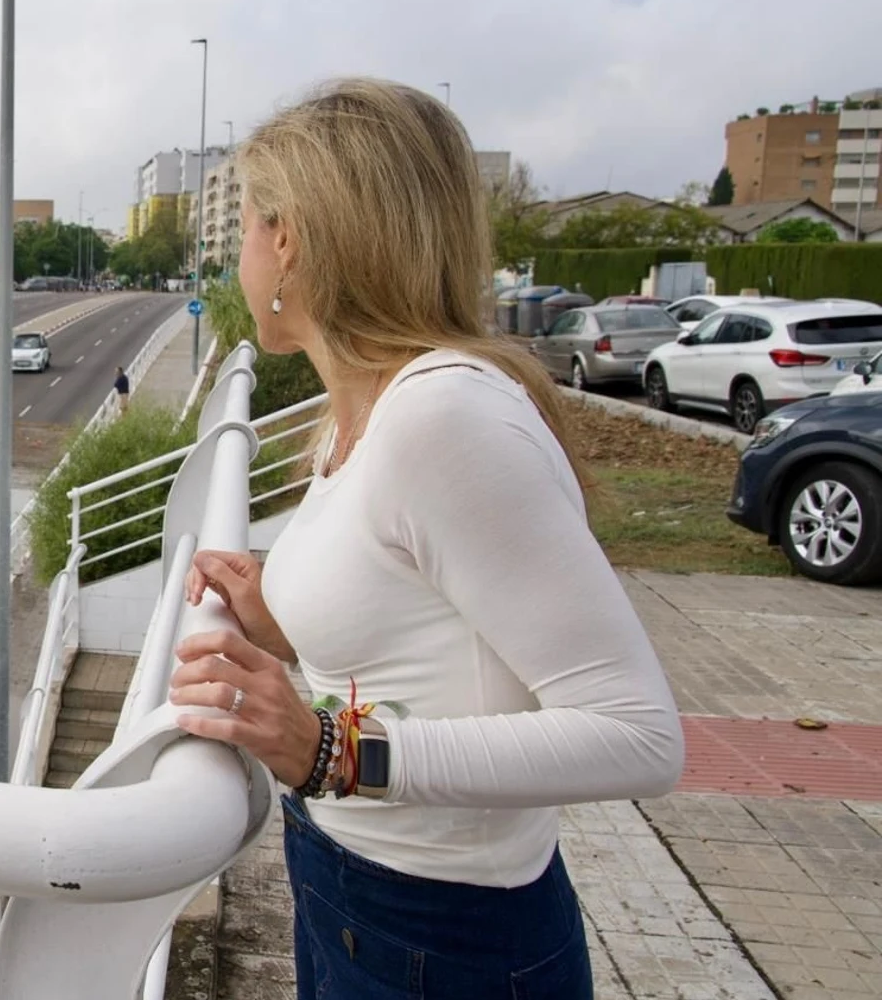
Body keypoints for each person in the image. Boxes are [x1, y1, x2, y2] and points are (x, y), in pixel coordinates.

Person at [168, 78, 682, 999]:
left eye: (241, 225)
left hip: (445, 939)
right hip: (350, 891)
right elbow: (428, 627)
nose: (235, 253)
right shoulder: (358, 412)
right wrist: (282, 623)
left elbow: (638, 736)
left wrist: (331, 749)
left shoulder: (443, 417)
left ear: (288, 241)